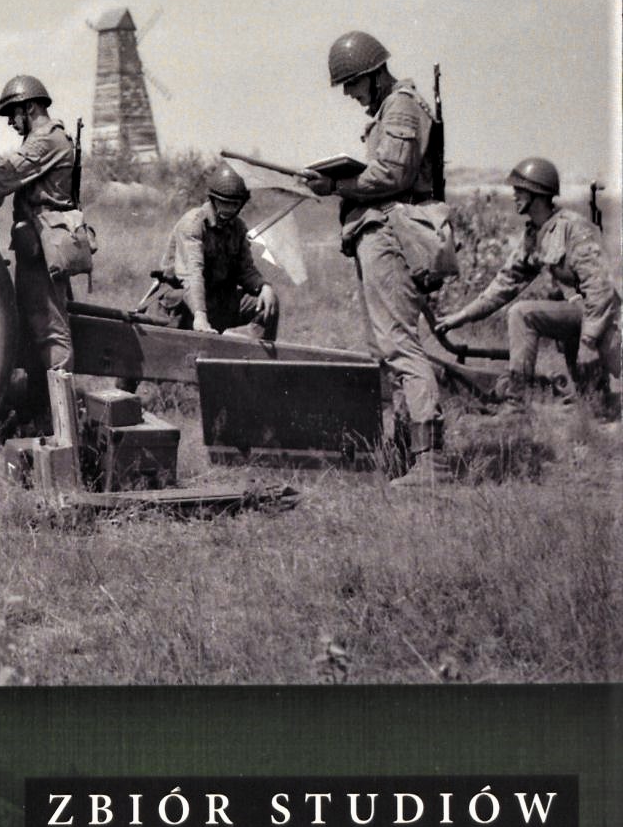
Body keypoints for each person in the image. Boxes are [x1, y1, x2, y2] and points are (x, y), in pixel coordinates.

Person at [307, 31, 445, 487]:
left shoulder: (401, 105)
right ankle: (407, 451)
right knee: (387, 348)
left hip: (390, 234)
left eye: (352, 83)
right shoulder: (390, 108)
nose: (349, 93)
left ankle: (430, 461)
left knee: (399, 345)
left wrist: (336, 185)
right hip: (381, 233)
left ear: (373, 73)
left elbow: (393, 175)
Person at [437, 157, 620, 408]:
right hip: (582, 317)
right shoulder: (535, 234)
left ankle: (515, 402)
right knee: (592, 405)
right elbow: (504, 284)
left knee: (522, 314)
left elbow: (600, 289)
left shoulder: (573, 228)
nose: (514, 196)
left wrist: (588, 341)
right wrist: (461, 316)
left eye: (520, 191)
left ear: (537, 194)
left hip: (603, 320)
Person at [0, 75, 86, 407]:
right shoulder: (40, 140)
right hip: (34, 243)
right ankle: (39, 410)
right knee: (33, 324)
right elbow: (6, 166)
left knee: (50, 329)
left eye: (13, 113)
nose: (11, 122)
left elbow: (3, 179)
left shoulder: (47, 139)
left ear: (31, 107)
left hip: (43, 245)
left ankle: (62, 420)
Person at [155, 160, 279, 339]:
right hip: (183, 302)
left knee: (267, 303)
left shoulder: (238, 228)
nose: (228, 209)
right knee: (188, 310)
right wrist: (200, 316)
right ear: (213, 200)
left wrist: (264, 287)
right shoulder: (193, 224)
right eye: (223, 203)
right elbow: (192, 275)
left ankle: (241, 347)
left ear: (241, 204)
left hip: (215, 300)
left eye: (234, 204)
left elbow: (246, 270)